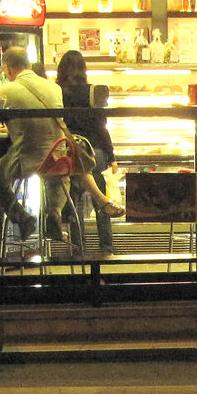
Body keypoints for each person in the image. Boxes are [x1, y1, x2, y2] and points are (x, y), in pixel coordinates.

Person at [0, 46, 123, 244]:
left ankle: (22, 217)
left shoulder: (5, 90)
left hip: (28, 160)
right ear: (30, 65)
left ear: (7, 69)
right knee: (60, 174)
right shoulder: (53, 88)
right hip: (59, 158)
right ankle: (54, 214)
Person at [57, 49, 119, 255]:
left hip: (69, 152)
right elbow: (101, 126)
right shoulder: (93, 92)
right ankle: (106, 247)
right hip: (95, 150)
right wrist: (111, 156)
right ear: (83, 69)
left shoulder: (57, 92)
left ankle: (79, 247)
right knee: (98, 185)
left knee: (75, 196)